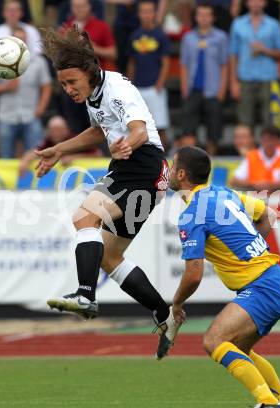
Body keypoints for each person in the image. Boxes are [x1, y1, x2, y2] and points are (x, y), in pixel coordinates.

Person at [35, 27, 180, 358]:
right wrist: (59, 148)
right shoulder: (94, 93)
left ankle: (85, 295)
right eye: (63, 85)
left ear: (90, 71)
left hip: (143, 167)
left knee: (84, 217)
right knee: (111, 257)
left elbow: (139, 129)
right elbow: (100, 130)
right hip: (135, 170)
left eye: (72, 82)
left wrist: (127, 143)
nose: (69, 89)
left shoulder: (116, 90)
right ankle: (165, 314)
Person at [167, 146, 280, 408]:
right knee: (241, 350)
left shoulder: (192, 214)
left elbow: (193, 275)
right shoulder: (222, 192)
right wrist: (251, 250)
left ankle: (268, 403)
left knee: (214, 340)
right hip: (276, 280)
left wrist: (177, 304)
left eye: (172, 166)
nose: (169, 171)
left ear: (181, 174)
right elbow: (268, 214)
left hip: (263, 286)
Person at [0, 26, 52, 158]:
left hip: (31, 115)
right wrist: (5, 88)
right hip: (6, 116)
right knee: (5, 158)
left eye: (23, 39)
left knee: (35, 158)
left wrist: (41, 108)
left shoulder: (38, 61)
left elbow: (47, 86)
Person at [60, 0, 116, 135]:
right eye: (75, 6)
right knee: (75, 124)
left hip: (95, 84)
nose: (78, 9)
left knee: (99, 125)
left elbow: (113, 53)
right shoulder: (66, 27)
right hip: (73, 85)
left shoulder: (101, 26)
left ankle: (99, 154)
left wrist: (93, 48)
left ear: (89, 7)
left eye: (82, 6)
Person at [180, 3, 229, 156]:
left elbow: (224, 65)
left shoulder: (221, 37)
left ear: (213, 18)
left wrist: (222, 89)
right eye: (200, 15)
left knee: (213, 129)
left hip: (213, 90)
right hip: (192, 89)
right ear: (195, 17)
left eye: (207, 15)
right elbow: (184, 65)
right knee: (188, 127)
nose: (204, 18)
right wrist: (184, 88)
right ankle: (190, 161)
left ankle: (210, 160)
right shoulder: (188, 38)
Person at [230, 0, 280, 129]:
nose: (256, 3)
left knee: (270, 122)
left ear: (265, 3)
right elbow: (233, 55)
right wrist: (233, 82)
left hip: (268, 78)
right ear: (247, 3)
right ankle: (248, 150)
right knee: (245, 121)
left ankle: (268, 149)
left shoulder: (274, 25)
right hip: (245, 78)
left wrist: (265, 50)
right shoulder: (238, 24)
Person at [128, 0, 171, 150]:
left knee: (160, 125)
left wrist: (160, 82)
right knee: (137, 126)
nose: (146, 15)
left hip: (154, 87)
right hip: (138, 88)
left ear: (154, 13)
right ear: (139, 14)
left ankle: (164, 157)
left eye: (149, 11)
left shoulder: (160, 35)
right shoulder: (135, 35)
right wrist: (130, 84)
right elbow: (132, 62)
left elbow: (166, 62)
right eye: (143, 11)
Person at [19, 115, 102, 175]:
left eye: (59, 130)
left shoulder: (75, 139)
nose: (56, 134)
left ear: (66, 130)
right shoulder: (48, 141)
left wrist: (74, 158)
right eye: (53, 130)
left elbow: (97, 154)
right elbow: (37, 152)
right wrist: (25, 161)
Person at [230, 126, 280, 193]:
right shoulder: (252, 155)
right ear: (261, 140)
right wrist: (253, 184)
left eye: (272, 140)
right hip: (257, 201)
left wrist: (273, 185)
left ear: (278, 141)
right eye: (266, 140)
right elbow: (234, 180)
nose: (269, 144)